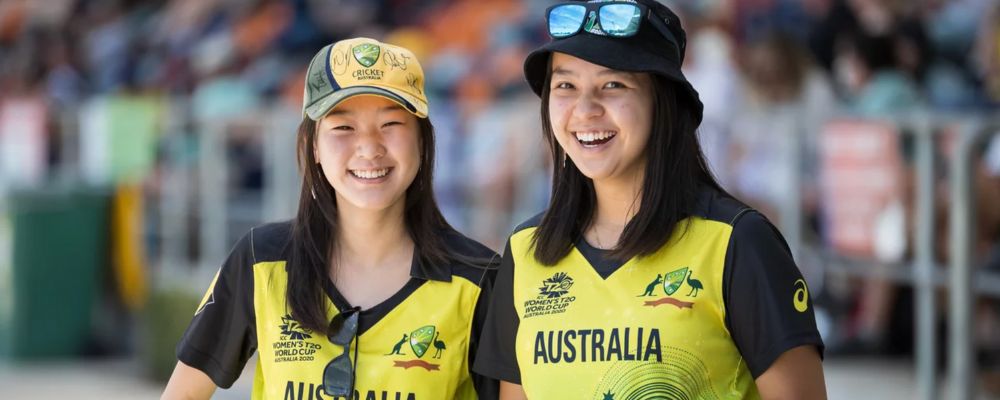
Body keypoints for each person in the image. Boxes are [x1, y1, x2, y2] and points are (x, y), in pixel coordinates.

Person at [472, 1, 827, 399]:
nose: (585, 110)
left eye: (613, 85)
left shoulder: (738, 242)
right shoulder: (526, 251)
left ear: (664, 102)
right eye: (565, 86)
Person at [162, 37, 499, 400]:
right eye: (343, 128)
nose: (369, 148)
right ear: (314, 146)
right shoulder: (262, 260)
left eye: (391, 124)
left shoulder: (478, 278)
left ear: (423, 141)